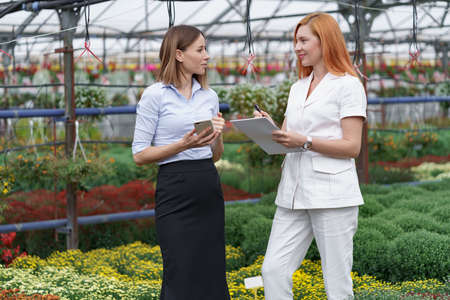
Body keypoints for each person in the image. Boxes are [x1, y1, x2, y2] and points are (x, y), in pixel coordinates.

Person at [256, 12, 367, 300]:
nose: (297, 47)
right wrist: (267, 128)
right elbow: (286, 138)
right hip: (292, 192)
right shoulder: (297, 88)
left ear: (325, 41)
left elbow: (351, 146)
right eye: (296, 41)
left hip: (332, 195)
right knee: (273, 271)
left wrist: (304, 141)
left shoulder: (348, 85)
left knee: (336, 283)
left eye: (303, 40)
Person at [132, 25, 230, 300]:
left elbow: (215, 154)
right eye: (200, 49)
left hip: (207, 184)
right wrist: (181, 145)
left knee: (211, 269)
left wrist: (217, 136)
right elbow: (139, 154)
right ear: (178, 54)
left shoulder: (209, 96)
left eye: (205, 49)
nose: (206, 55)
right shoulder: (155, 95)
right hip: (174, 188)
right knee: (180, 269)